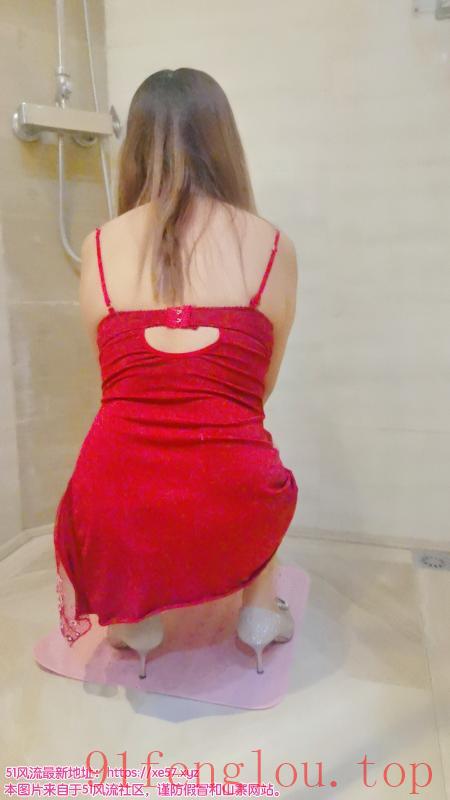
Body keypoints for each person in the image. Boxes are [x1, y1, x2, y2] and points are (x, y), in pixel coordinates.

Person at [53, 67, 299, 680]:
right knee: (254, 462)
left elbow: (117, 386)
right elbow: (257, 393)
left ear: (133, 146)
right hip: (236, 492)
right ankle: (260, 611)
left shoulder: (98, 247)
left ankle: (134, 621)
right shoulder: (272, 246)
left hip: (114, 495)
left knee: (118, 473)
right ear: (223, 140)